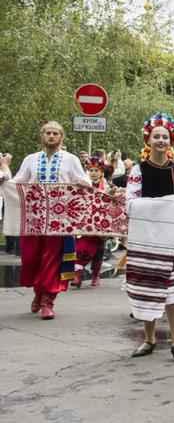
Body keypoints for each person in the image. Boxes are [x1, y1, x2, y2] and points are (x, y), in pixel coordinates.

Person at [124, 113, 174, 359]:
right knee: (148, 286)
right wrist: (167, 204)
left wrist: (161, 204)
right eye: (157, 136)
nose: (161, 140)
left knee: (173, 290)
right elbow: (130, 204)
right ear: (148, 140)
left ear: (171, 140)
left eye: (165, 136)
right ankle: (149, 339)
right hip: (146, 237)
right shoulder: (138, 170)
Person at [3, 121, 90, 319]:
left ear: (61, 137)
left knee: (52, 259)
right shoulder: (31, 159)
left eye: (55, 133)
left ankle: (47, 301)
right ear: (42, 136)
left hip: (60, 219)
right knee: (32, 258)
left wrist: (81, 183)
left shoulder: (71, 159)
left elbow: (86, 181)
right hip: (34, 218)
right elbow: (18, 183)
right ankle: (38, 292)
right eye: (48, 133)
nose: (51, 136)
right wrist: (5, 178)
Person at [73, 155, 109, 288]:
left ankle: (95, 275)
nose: (93, 173)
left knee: (98, 251)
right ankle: (77, 274)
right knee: (82, 247)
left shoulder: (107, 186)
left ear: (101, 172)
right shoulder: (82, 184)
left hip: (101, 223)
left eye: (96, 171)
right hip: (85, 222)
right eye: (91, 170)